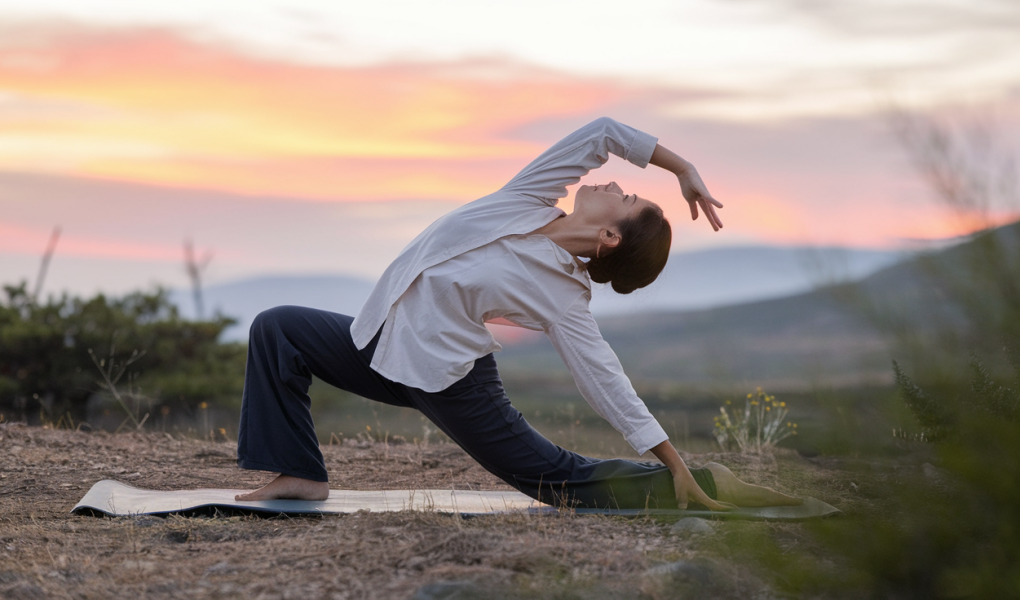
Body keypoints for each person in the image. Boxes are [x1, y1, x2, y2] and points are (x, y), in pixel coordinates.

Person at [233, 117, 800, 510]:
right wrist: (681, 167)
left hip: (452, 381)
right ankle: (300, 473)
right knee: (279, 329)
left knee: (556, 481)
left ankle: (698, 482)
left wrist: (672, 459)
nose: (616, 184)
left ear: (608, 236)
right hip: (381, 343)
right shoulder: (528, 196)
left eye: (626, 199)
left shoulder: (563, 294)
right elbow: (602, 133)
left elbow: (605, 381)